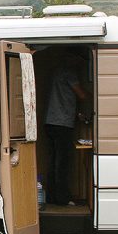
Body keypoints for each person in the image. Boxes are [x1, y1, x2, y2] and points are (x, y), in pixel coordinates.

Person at [45, 54, 87, 205]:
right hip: (62, 123)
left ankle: (51, 197)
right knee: (62, 162)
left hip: (50, 121)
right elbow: (81, 94)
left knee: (53, 161)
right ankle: (63, 199)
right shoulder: (69, 73)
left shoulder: (55, 72)